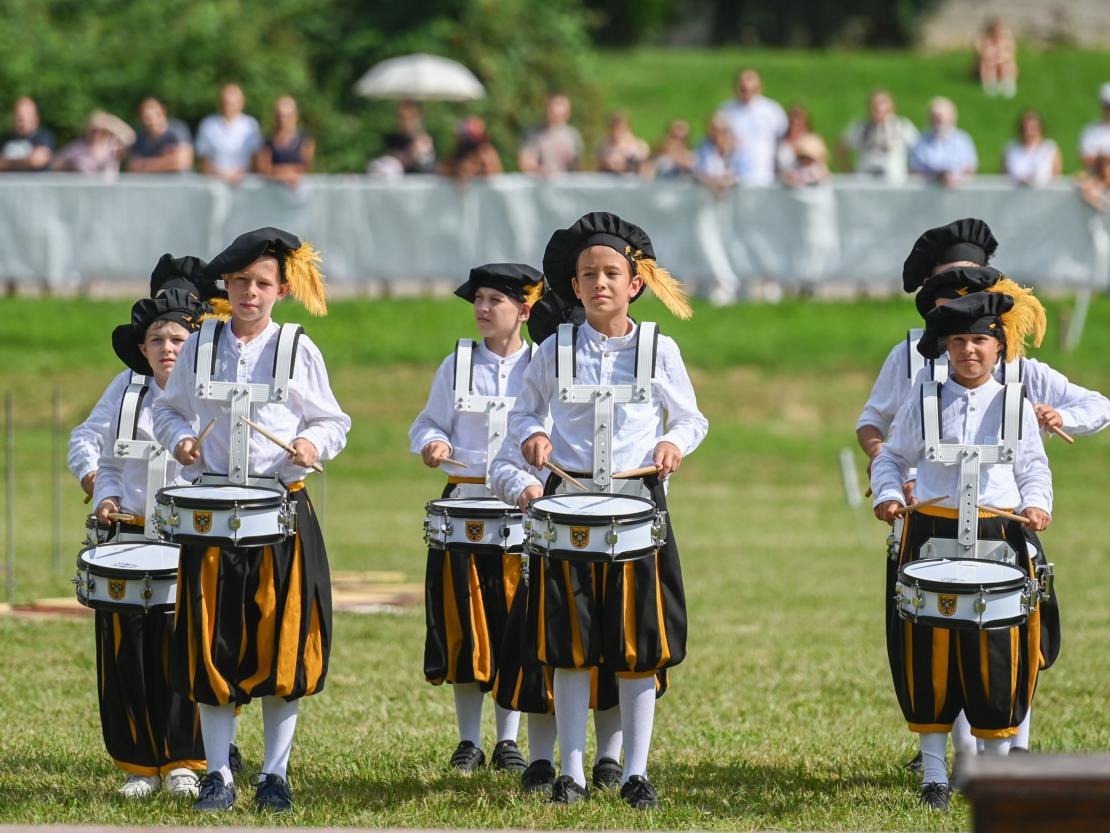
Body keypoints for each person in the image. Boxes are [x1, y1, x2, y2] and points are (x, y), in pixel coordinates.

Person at [493, 211, 708, 809]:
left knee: (637, 645)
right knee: (568, 644)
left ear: (635, 282)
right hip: (567, 510)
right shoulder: (553, 349)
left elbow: (691, 418)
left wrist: (674, 443)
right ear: (575, 285)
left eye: (612, 273)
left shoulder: (659, 348)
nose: (600, 284)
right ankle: (572, 771)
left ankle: (635, 771)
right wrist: (534, 435)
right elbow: (523, 417)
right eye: (588, 275)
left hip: (638, 507)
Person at [153, 227, 351, 813]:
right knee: (211, 645)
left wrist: (313, 445)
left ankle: (275, 774)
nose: (250, 293)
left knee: (280, 647)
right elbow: (168, 410)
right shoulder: (199, 343)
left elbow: (331, 420)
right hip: (212, 517)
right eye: (240, 282)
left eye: (262, 283)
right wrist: (183, 440)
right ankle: (218, 773)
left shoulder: (297, 348)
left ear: (281, 289)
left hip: (280, 510)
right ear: (227, 287)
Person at [872, 290, 1052, 811]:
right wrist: (888, 494)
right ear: (944, 347)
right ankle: (934, 773)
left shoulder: (1014, 404)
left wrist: (1037, 504)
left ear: (999, 347)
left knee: (997, 653)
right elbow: (891, 457)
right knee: (931, 653)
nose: (969, 350)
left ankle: (992, 773)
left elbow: (1033, 469)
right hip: (931, 532)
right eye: (958, 341)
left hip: (999, 535)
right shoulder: (924, 399)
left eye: (980, 340)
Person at [409, 264, 545, 776]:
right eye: (479, 300)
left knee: (514, 628)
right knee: (464, 628)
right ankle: (469, 741)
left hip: (522, 511)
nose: (484, 309)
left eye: (496, 301)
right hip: (463, 507)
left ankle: (509, 740)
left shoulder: (543, 364)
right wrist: (432, 444)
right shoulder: (456, 363)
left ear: (524, 311)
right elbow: (427, 422)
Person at [87, 287, 215, 798]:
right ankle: (138, 764)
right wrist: (103, 492)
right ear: (142, 349)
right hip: (129, 539)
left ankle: (183, 761)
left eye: (178, 339)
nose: (167, 348)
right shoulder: (125, 391)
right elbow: (102, 455)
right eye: (156, 339)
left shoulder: (205, 396)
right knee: (128, 652)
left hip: (186, 543)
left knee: (181, 650)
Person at [716, 68, 787, 187]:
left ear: (759, 88)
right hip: (734, 177)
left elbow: (782, 139)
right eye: (743, 89)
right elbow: (716, 140)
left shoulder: (772, 110)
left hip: (766, 176)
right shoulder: (726, 110)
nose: (747, 93)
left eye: (752, 89)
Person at [838, 90, 919, 183]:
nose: (879, 115)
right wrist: (849, 172)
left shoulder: (903, 126)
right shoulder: (860, 127)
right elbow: (841, 148)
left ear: (892, 109)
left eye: (884, 111)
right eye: (875, 110)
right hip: (866, 182)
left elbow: (919, 150)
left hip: (895, 183)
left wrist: (912, 172)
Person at [195, 83, 263, 184]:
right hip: (215, 184)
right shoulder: (208, 125)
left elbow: (256, 157)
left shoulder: (251, 125)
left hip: (244, 183)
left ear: (242, 103)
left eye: (233, 103)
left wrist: (239, 174)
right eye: (226, 102)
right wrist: (220, 175)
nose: (229, 106)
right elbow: (203, 158)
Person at [909, 97, 978, 186]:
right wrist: (937, 177)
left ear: (951, 117)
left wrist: (953, 177)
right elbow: (915, 170)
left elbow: (970, 169)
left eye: (942, 117)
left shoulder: (963, 140)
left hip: (958, 193)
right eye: (935, 117)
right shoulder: (920, 140)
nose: (939, 120)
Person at [255, 95, 315, 188]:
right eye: (279, 116)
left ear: (295, 115)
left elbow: (307, 165)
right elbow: (263, 168)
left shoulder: (305, 140)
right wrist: (284, 175)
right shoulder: (268, 141)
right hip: (273, 193)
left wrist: (281, 173)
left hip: (299, 193)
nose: (282, 120)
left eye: (287, 116)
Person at [518, 94, 584, 177]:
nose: (556, 110)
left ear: (568, 112)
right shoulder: (533, 133)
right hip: (539, 186)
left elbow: (577, 166)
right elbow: (525, 163)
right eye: (554, 105)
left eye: (560, 105)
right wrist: (540, 170)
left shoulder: (573, 135)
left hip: (566, 186)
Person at [52, 111, 134, 177]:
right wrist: (70, 167)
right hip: (84, 192)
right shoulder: (78, 147)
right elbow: (55, 164)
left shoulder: (113, 146)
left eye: (100, 130)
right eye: (93, 130)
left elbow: (131, 138)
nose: (96, 133)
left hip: (108, 192)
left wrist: (111, 123)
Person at [127, 97, 194, 173]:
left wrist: (145, 165)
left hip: (179, 183)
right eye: (146, 117)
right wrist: (168, 161)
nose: (151, 121)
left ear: (163, 112)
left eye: (155, 114)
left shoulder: (177, 130)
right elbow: (133, 167)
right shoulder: (139, 137)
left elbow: (182, 162)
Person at [1003, 109, 1061, 186]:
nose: (1029, 133)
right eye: (1026, 128)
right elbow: (1002, 175)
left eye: (1033, 128)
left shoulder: (1050, 148)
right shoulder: (1010, 148)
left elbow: (1056, 177)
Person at [694, 113, 747, 193]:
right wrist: (714, 182)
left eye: (722, 130)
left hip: (734, 194)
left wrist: (726, 182)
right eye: (713, 129)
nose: (717, 133)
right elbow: (699, 170)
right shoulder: (703, 147)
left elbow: (742, 171)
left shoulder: (738, 148)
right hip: (708, 192)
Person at [0, 96, 55, 171]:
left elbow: (37, 161)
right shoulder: (5, 138)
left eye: (26, 116)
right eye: (19, 117)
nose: (22, 121)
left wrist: (8, 162)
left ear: (36, 117)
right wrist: (25, 161)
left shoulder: (44, 137)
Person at [443, 116, 502, 181]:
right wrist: (457, 170)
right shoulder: (458, 154)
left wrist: (473, 169)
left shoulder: (486, 151)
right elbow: (444, 171)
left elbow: (491, 172)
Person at [976, 18, 1018, 98]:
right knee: (987, 65)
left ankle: (1008, 84)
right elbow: (984, 54)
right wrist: (993, 60)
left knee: (1007, 65)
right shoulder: (987, 41)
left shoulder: (1006, 40)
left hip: (1003, 62)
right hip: (990, 63)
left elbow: (1010, 53)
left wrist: (1000, 60)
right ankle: (990, 84)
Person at [596, 111, 650, 175]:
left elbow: (644, 166)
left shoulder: (639, 146)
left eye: (621, 128)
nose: (617, 132)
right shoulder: (604, 146)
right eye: (615, 128)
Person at [396, 100, 437, 174]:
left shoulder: (425, 141)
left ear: (418, 117)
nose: (402, 122)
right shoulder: (397, 139)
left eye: (407, 118)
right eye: (401, 118)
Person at [1079, 84, 1110, 172]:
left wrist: (1101, 157)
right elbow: (1086, 159)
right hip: (1097, 180)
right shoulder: (1090, 131)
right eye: (1108, 107)